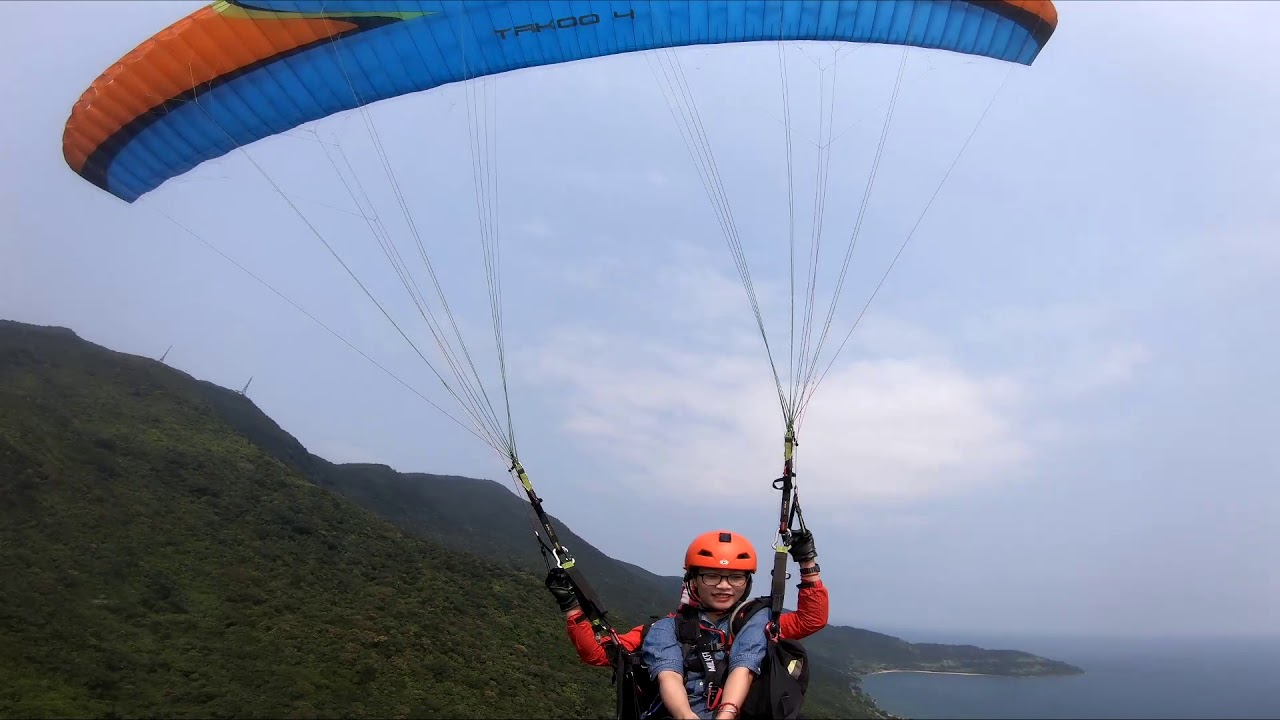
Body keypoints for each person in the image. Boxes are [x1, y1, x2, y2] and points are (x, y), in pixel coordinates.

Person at [546, 529, 825, 719]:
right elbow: (598, 653)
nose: (724, 586)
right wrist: (572, 608)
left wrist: (807, 562)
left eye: (734, 578)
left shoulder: (757, 623)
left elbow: (812, 618)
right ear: (693, 580)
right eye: (712, 577)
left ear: (747, 582)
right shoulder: (666, 630)